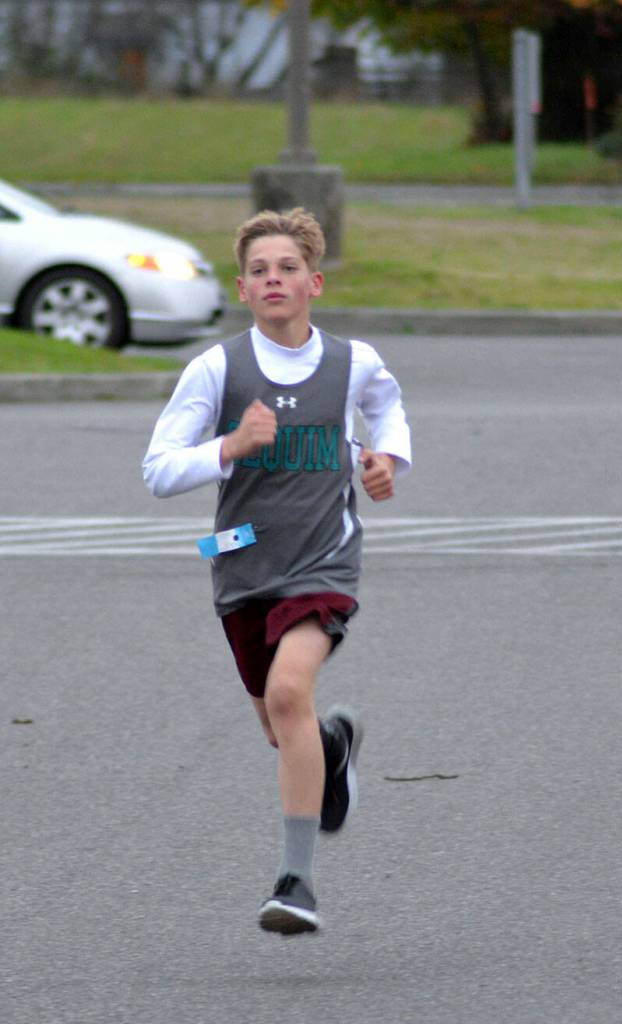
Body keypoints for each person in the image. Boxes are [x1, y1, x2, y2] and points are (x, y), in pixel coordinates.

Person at [143, 207, 411, 934]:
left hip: (324, 556)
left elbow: (388, 416)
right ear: (242, 287)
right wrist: (229, 446)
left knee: (290, 692)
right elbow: (158, 470)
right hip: (238, 557)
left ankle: (295, 883)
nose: (273, 279)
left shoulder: (352, 362)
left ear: (313, 282)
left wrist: (386, 462)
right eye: (259, 270)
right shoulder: (216, 369)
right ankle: (332, 748)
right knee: (279, 721)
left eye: (287, 268)